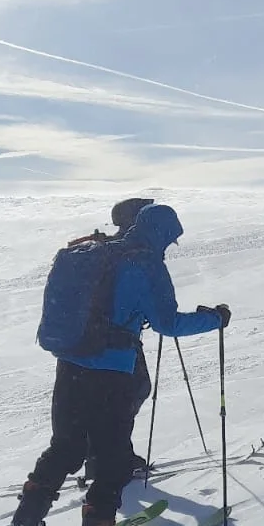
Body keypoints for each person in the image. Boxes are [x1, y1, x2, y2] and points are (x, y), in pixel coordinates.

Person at [6, 203, 231, 526]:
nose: (170, 247)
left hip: (71, 362)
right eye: (171, 239)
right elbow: (168, 323)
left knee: (66, 445)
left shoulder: (101, 250)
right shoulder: (146, 264)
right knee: (112, 458)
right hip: (110, 372)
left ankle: (26, 522)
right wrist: (215, 319)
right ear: (161, 233)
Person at [81, 197, 154, 484]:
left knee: (113, 399)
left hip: (94, 339)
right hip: (118, 340)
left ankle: (102, 458)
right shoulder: (131, 251)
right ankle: (113, 459)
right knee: (131, 393)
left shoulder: (106, 248)